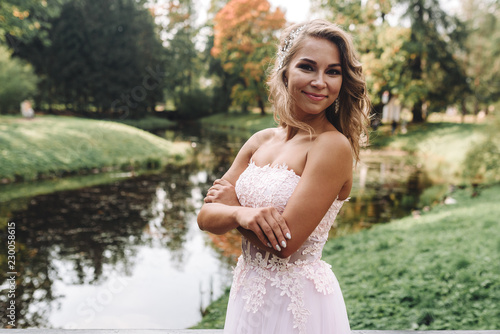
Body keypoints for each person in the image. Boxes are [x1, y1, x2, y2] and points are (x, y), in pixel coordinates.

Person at [197, 19, 370, 334]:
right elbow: (206, 216)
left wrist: (232, 210)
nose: (320, 81)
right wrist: (241, 212)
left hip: (297, 306)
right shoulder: (260, 141)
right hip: (248, 295)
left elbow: (285, 243)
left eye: (333, 71)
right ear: (284, 70)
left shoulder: (332, 146)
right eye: (307, 67)